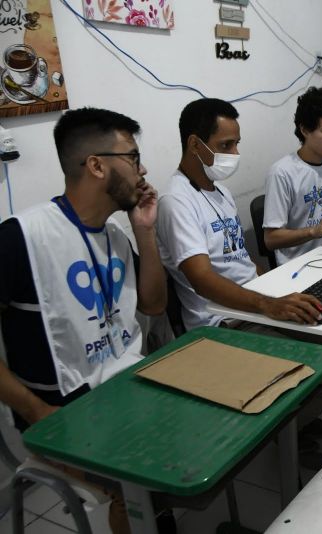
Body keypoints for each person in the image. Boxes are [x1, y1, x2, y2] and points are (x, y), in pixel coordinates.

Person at [0, 107, 168, 534]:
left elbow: (153, 305)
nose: (142, 169)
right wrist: (35, 409)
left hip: (124, 386)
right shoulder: (22, 237)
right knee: (139, 482)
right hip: (60, 410)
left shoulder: (114, 234)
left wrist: (144, 230)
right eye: (132, 157)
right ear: (96, 165)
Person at [156, 98, 322, 438]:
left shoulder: (221, 193)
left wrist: (274, 292)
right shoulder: (176, 202)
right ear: (194, 144)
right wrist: (267, 304)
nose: (234, 153)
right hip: (223, 322)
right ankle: (270, 438)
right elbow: (202, 279)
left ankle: (293, 424)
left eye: (236, 143)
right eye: (225, 145)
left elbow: (241, 263)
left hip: (253, 305)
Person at [263, 87, 322, 265]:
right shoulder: (283, 172)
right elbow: (271, 239)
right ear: (305, 130)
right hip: (298, 265)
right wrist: (313, 231)